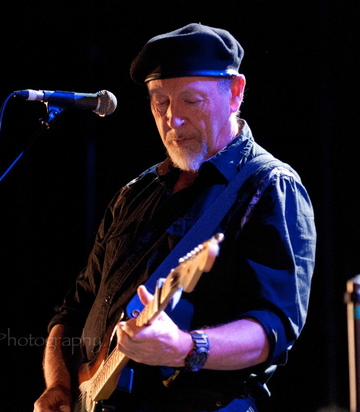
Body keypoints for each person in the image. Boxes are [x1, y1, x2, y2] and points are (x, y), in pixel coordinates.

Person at [33, 23, 316, 412]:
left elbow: (274, 328)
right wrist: (59, 385)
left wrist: (186, 347)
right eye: (159, 102)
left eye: (191, 101)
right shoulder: (134, 193)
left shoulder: (270, 187)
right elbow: (72, 309)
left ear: (235, 93)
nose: (172, 120)